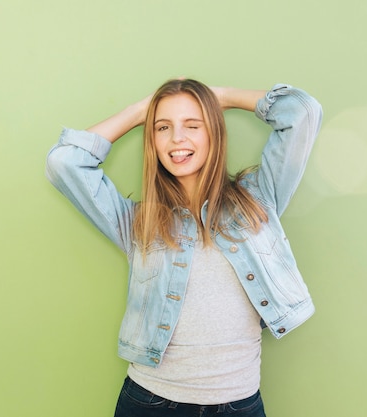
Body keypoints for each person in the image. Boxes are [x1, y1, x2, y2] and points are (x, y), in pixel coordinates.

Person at [45, 78, 323, 417]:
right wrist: (140, 112)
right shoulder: (138, 222)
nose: (177, 138)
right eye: (163, 127)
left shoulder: (258, 197)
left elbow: (303, 112)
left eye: (194, 124)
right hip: (150, 402)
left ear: (214, 133)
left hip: (239, 405)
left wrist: (220, 97)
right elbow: (64, 163)